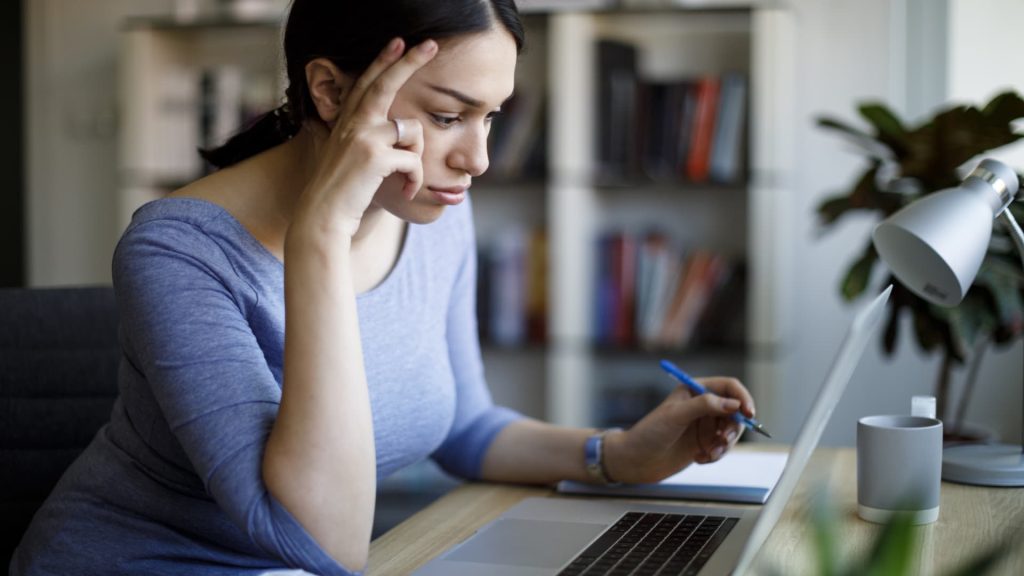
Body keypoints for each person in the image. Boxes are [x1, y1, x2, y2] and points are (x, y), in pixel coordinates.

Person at [10, 1, 757, 574]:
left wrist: (618, 454)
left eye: (491, 116)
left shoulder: (429, 210)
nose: (480, 158)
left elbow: (464, 425)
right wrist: (321, 238)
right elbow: (323, 540)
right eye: (446, 115)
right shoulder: (177, 250)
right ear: (330, 90)